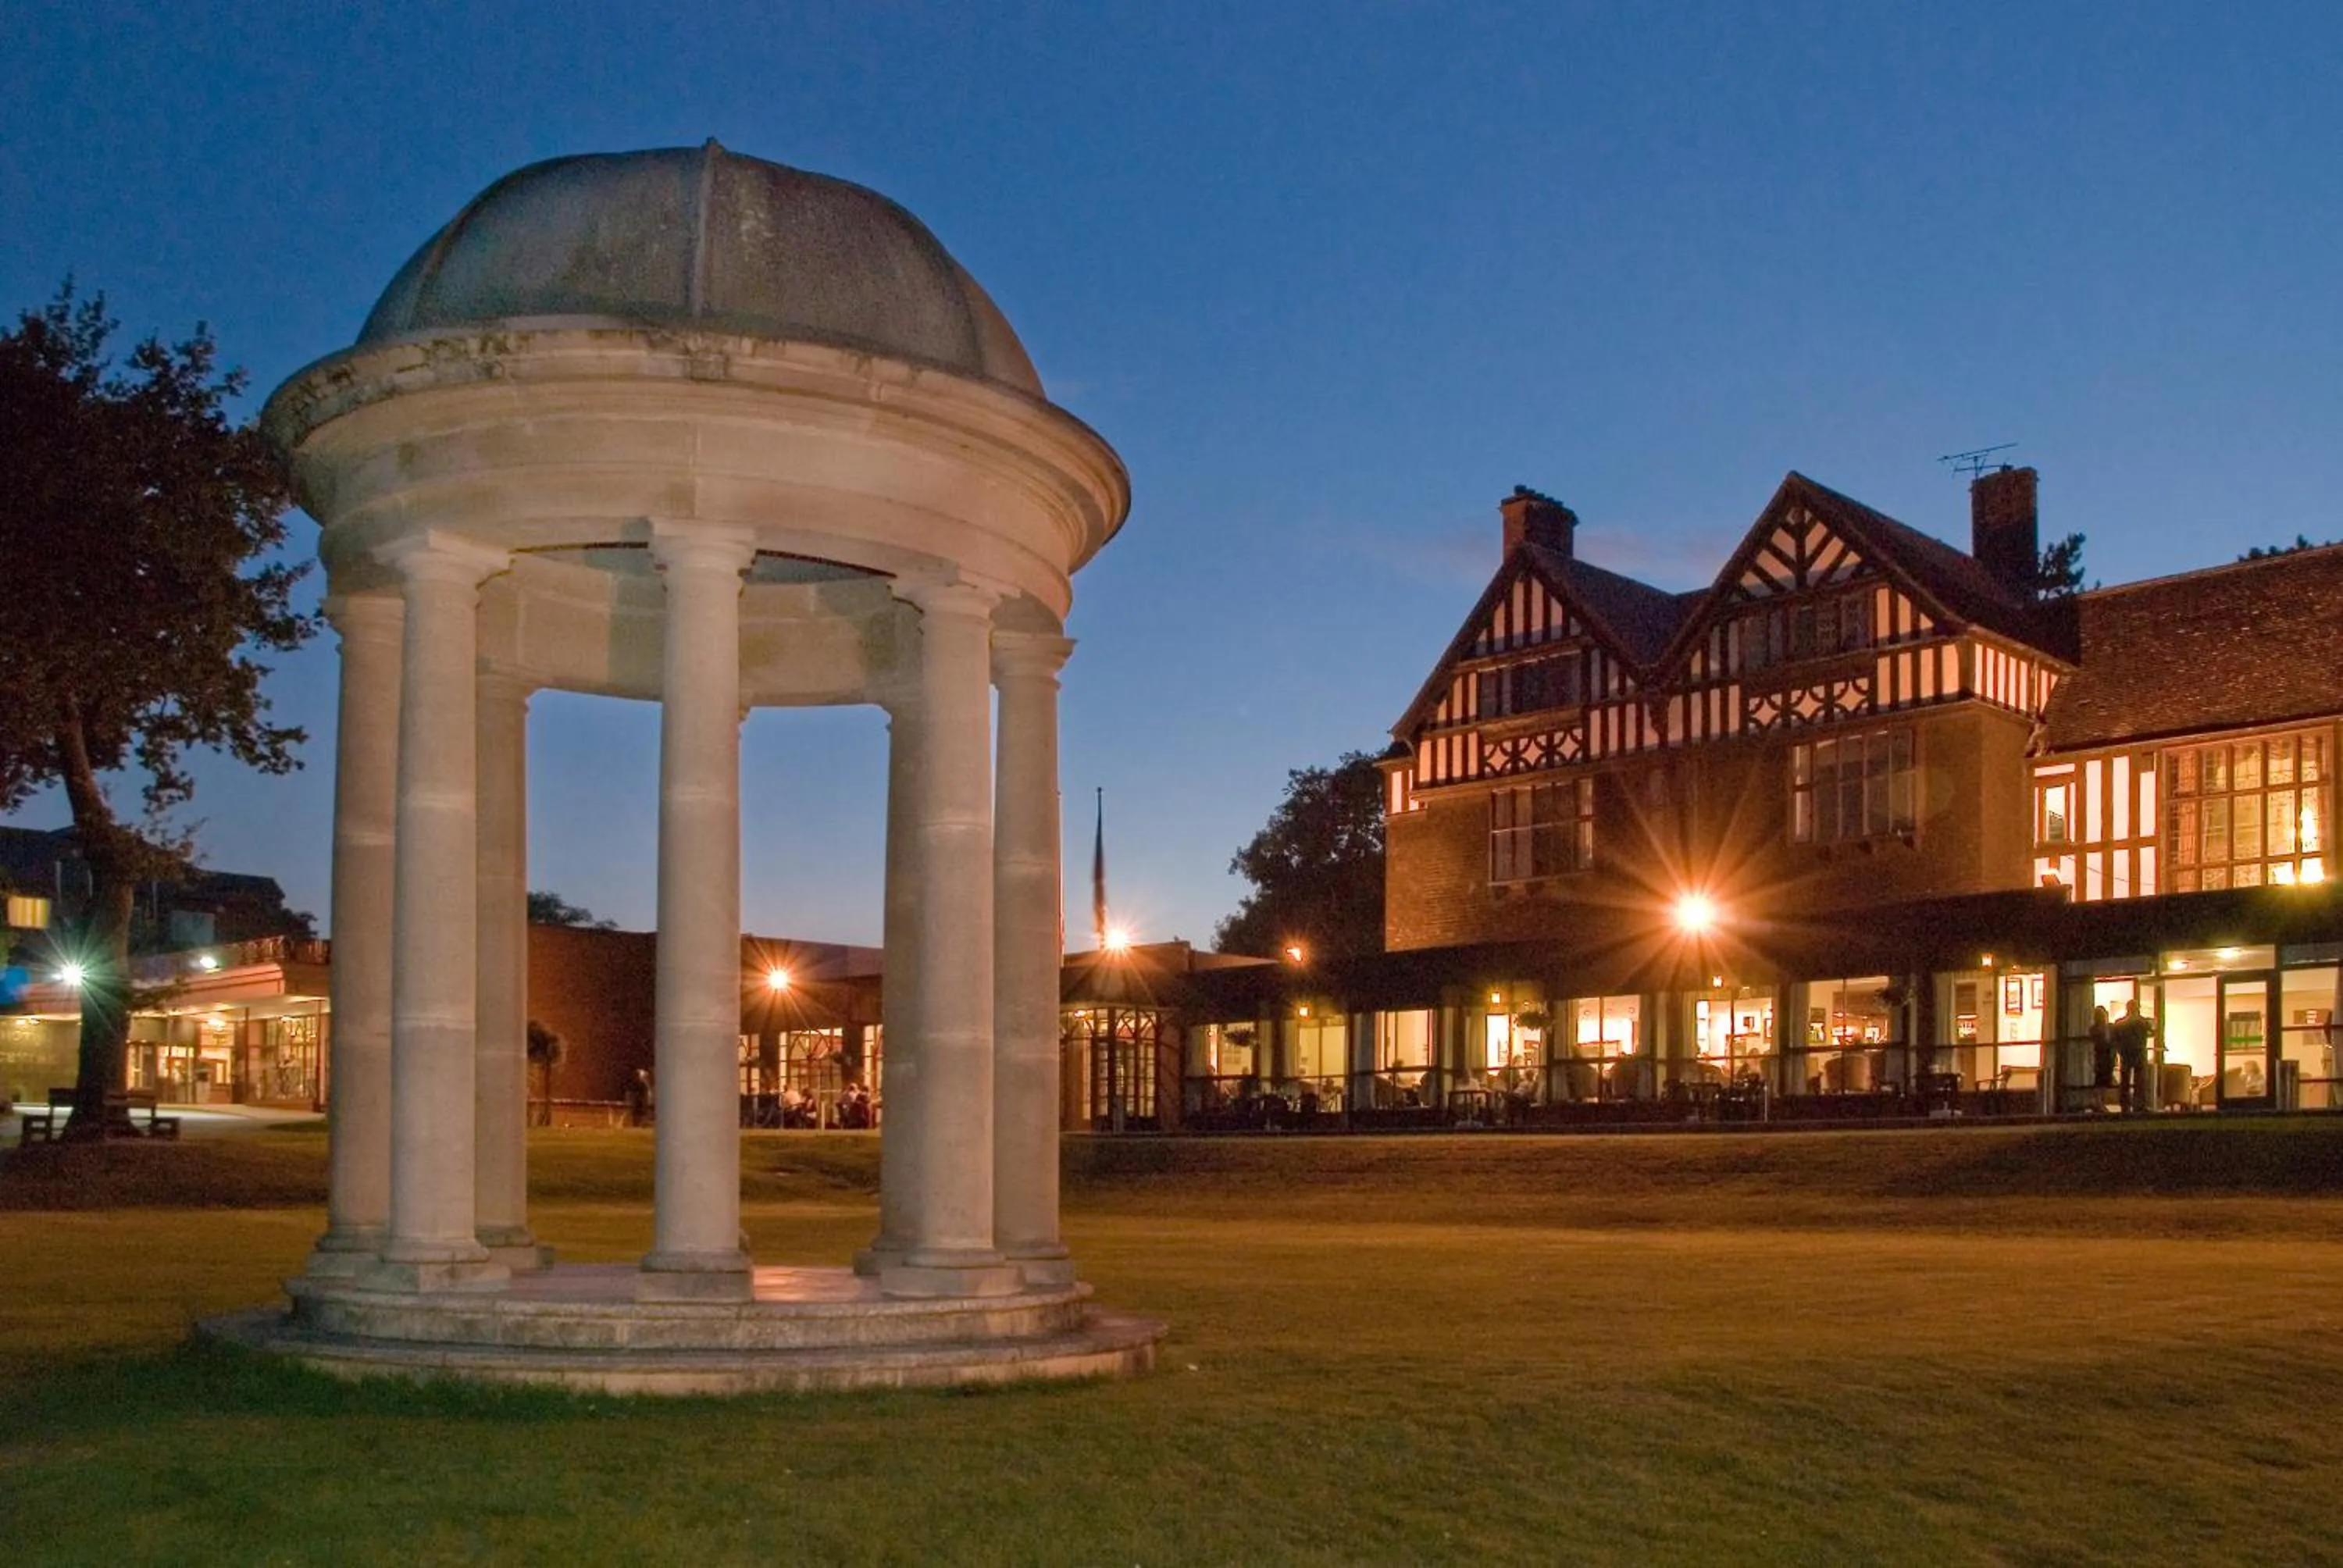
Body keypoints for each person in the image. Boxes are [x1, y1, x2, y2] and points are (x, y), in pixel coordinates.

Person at [2112, 1001, 2155, 1114]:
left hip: (2125, 1053)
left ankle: (2125, 1106)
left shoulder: (2120, 1023)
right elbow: (2152, 1031)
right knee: (2140, 1082)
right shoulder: (2142, 1022)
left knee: (2125, 1081)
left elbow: (2114, 1038)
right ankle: (2139, 1105)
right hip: (2139, 1053)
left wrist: (2119, 1050)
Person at [2087, 1005, 2115, 1111]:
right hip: (2102, 1057)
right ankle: (2098, 1101)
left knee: (2104, 1080)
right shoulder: (2099, 1029)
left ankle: (2099, 1102)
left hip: (2105, 1057)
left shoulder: (2106, 1028)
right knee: (2101, 1080)